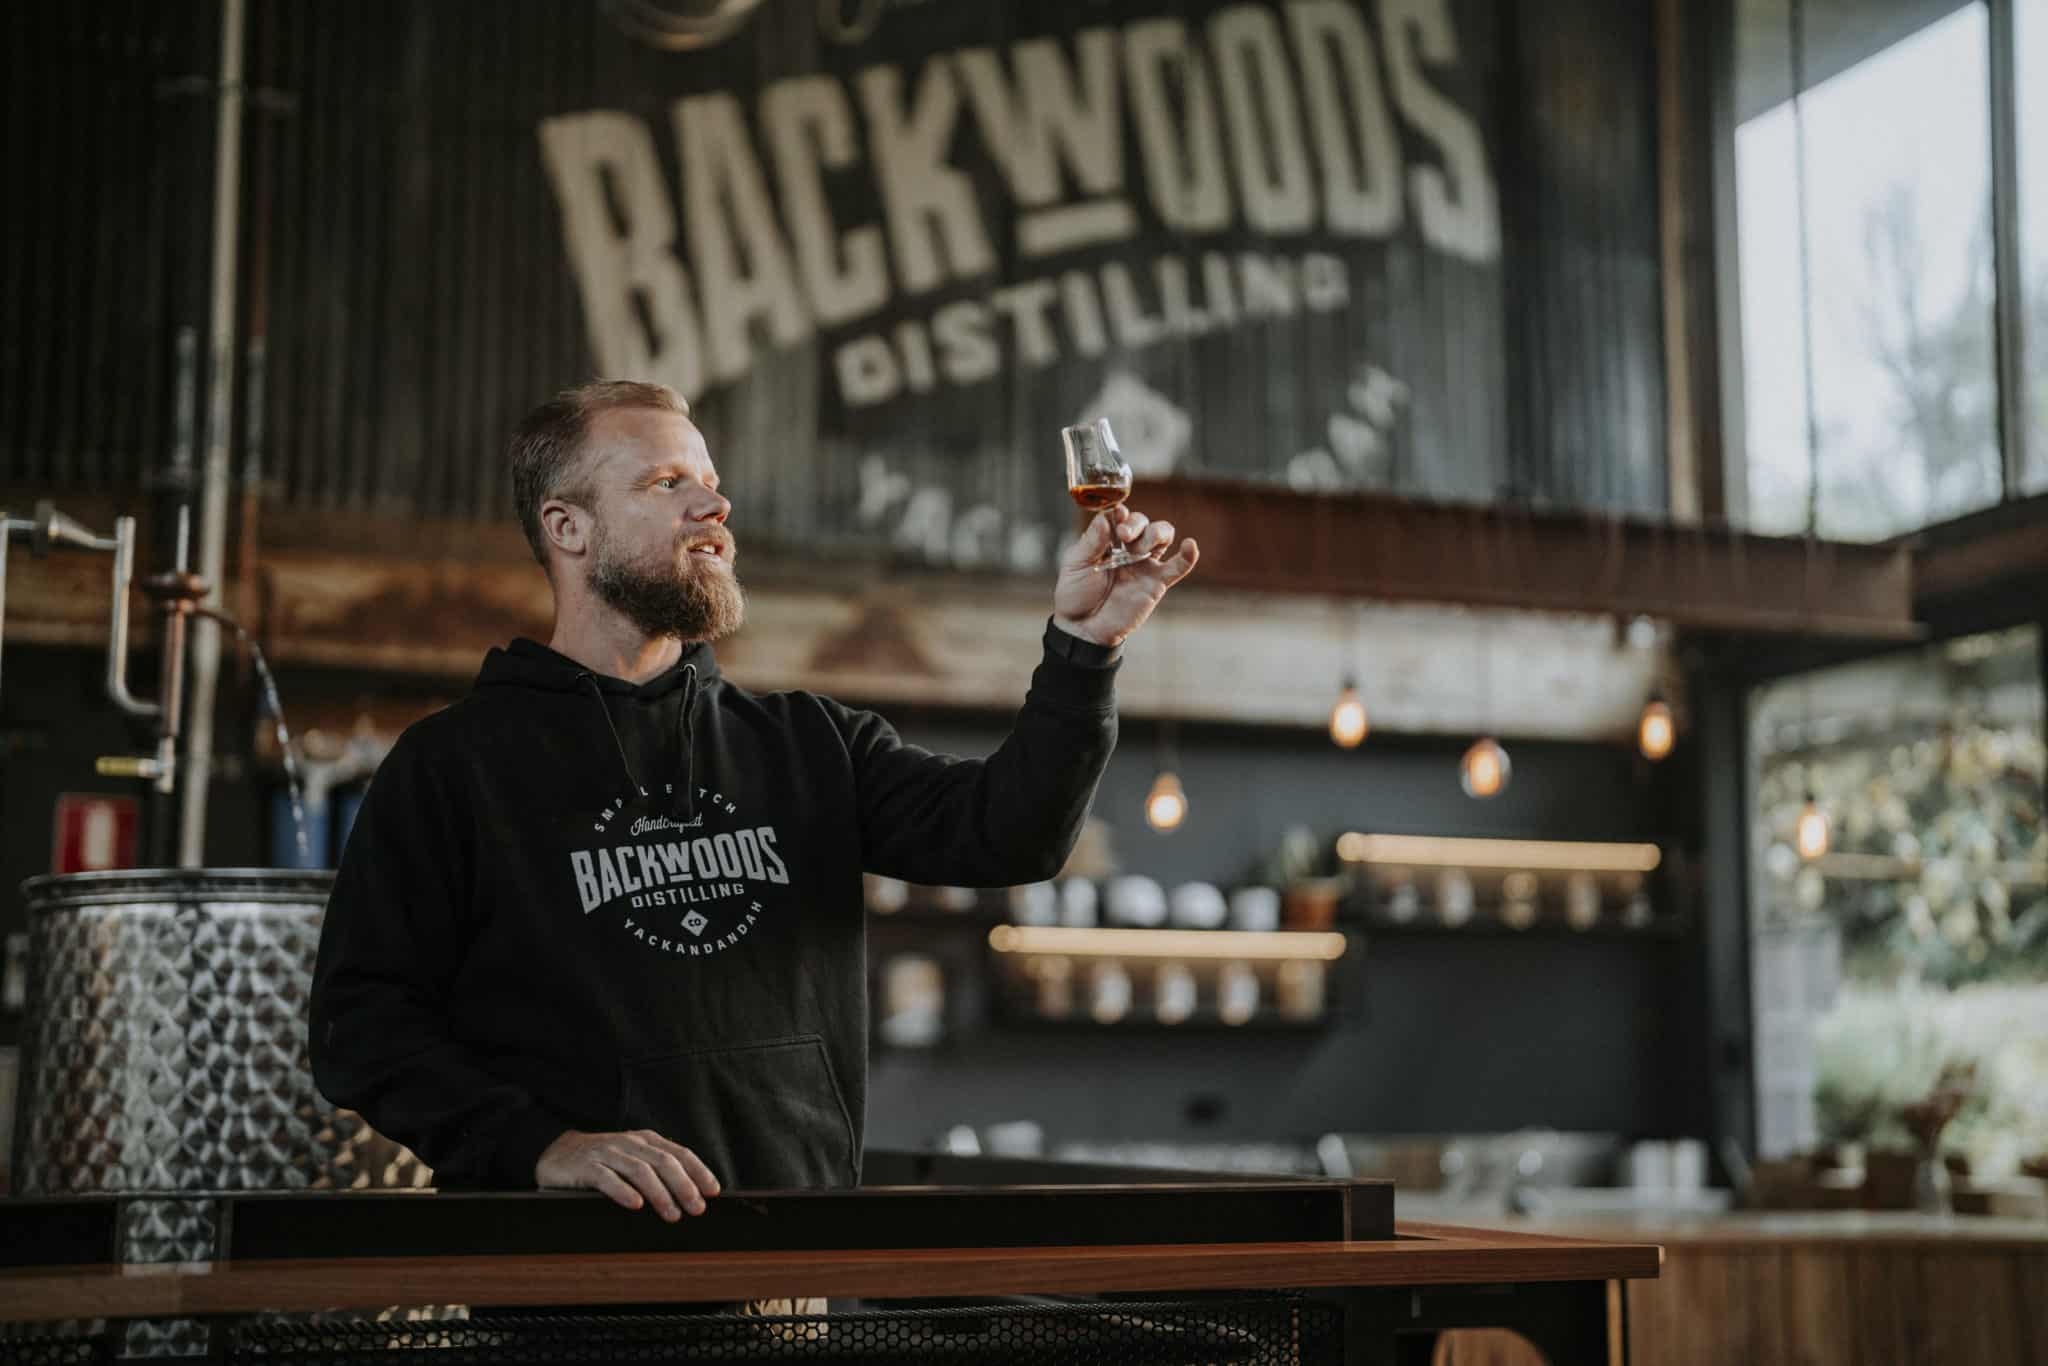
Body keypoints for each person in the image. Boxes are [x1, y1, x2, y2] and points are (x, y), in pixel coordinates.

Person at [309, 380, 1199, 1223]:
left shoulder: (809, 744)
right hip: (562, 1282)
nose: (713, 507)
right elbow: (363, 1028)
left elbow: (1008, 839)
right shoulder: (453, 765)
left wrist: (1084, 648)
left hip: (787, 1261)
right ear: (567, 528)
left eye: (711, 482)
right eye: (667, 482)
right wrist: (541, 1144)